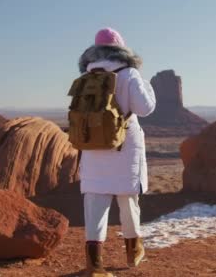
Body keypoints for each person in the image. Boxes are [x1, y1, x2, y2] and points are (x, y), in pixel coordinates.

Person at [77, 28, 156, 277]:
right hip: (123, 144)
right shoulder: (129, 73)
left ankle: (95, 265)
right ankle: (134, 251)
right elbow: (144, 109)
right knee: (127, 197)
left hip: (93, 145)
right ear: (122, 49)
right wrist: (145, 85)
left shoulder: (87, 75)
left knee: (95, 201)